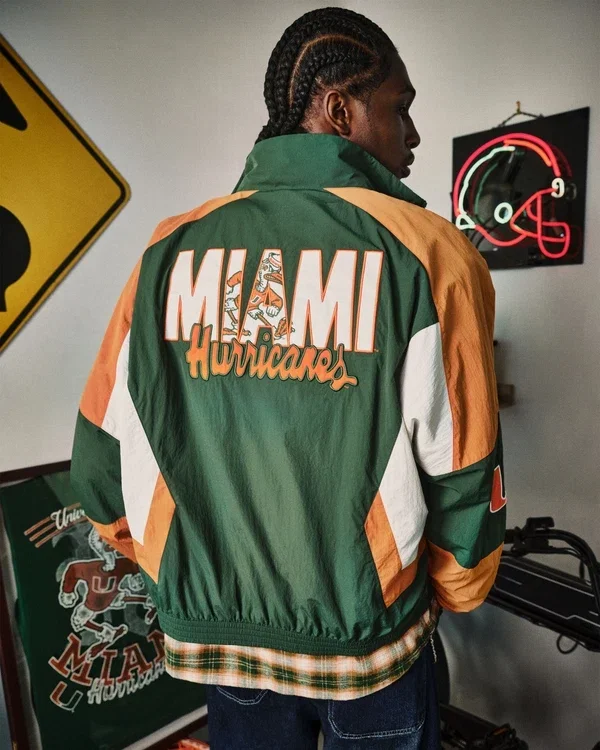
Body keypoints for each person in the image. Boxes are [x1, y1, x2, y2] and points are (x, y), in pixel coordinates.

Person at [71, 7, 506, 749]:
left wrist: (184, 576)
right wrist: (454, 590)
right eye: (399, 108)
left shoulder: (166, 253)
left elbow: (100, 462)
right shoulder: (430, 254)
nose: (413, 134)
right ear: (339, 110)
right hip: (371, 646)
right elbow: (463, 468)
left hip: (223, 646)